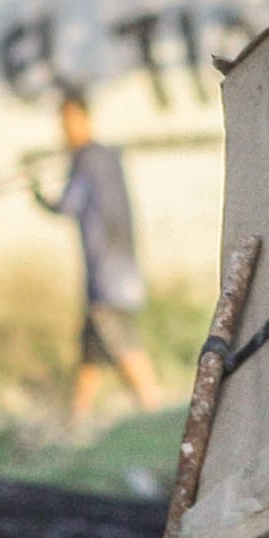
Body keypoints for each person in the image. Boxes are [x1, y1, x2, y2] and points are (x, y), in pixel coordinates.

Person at [35, 88, 164, 418]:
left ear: (82, 118)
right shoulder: (107, 157)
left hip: (106, 273)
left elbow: (69, 204)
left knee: (122, 343)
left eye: (68, 121)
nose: (64, 130)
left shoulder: (87, 159)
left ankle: (154, 408)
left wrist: (37, 194)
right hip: (117, 267)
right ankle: (77, 416)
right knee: (91, 352)